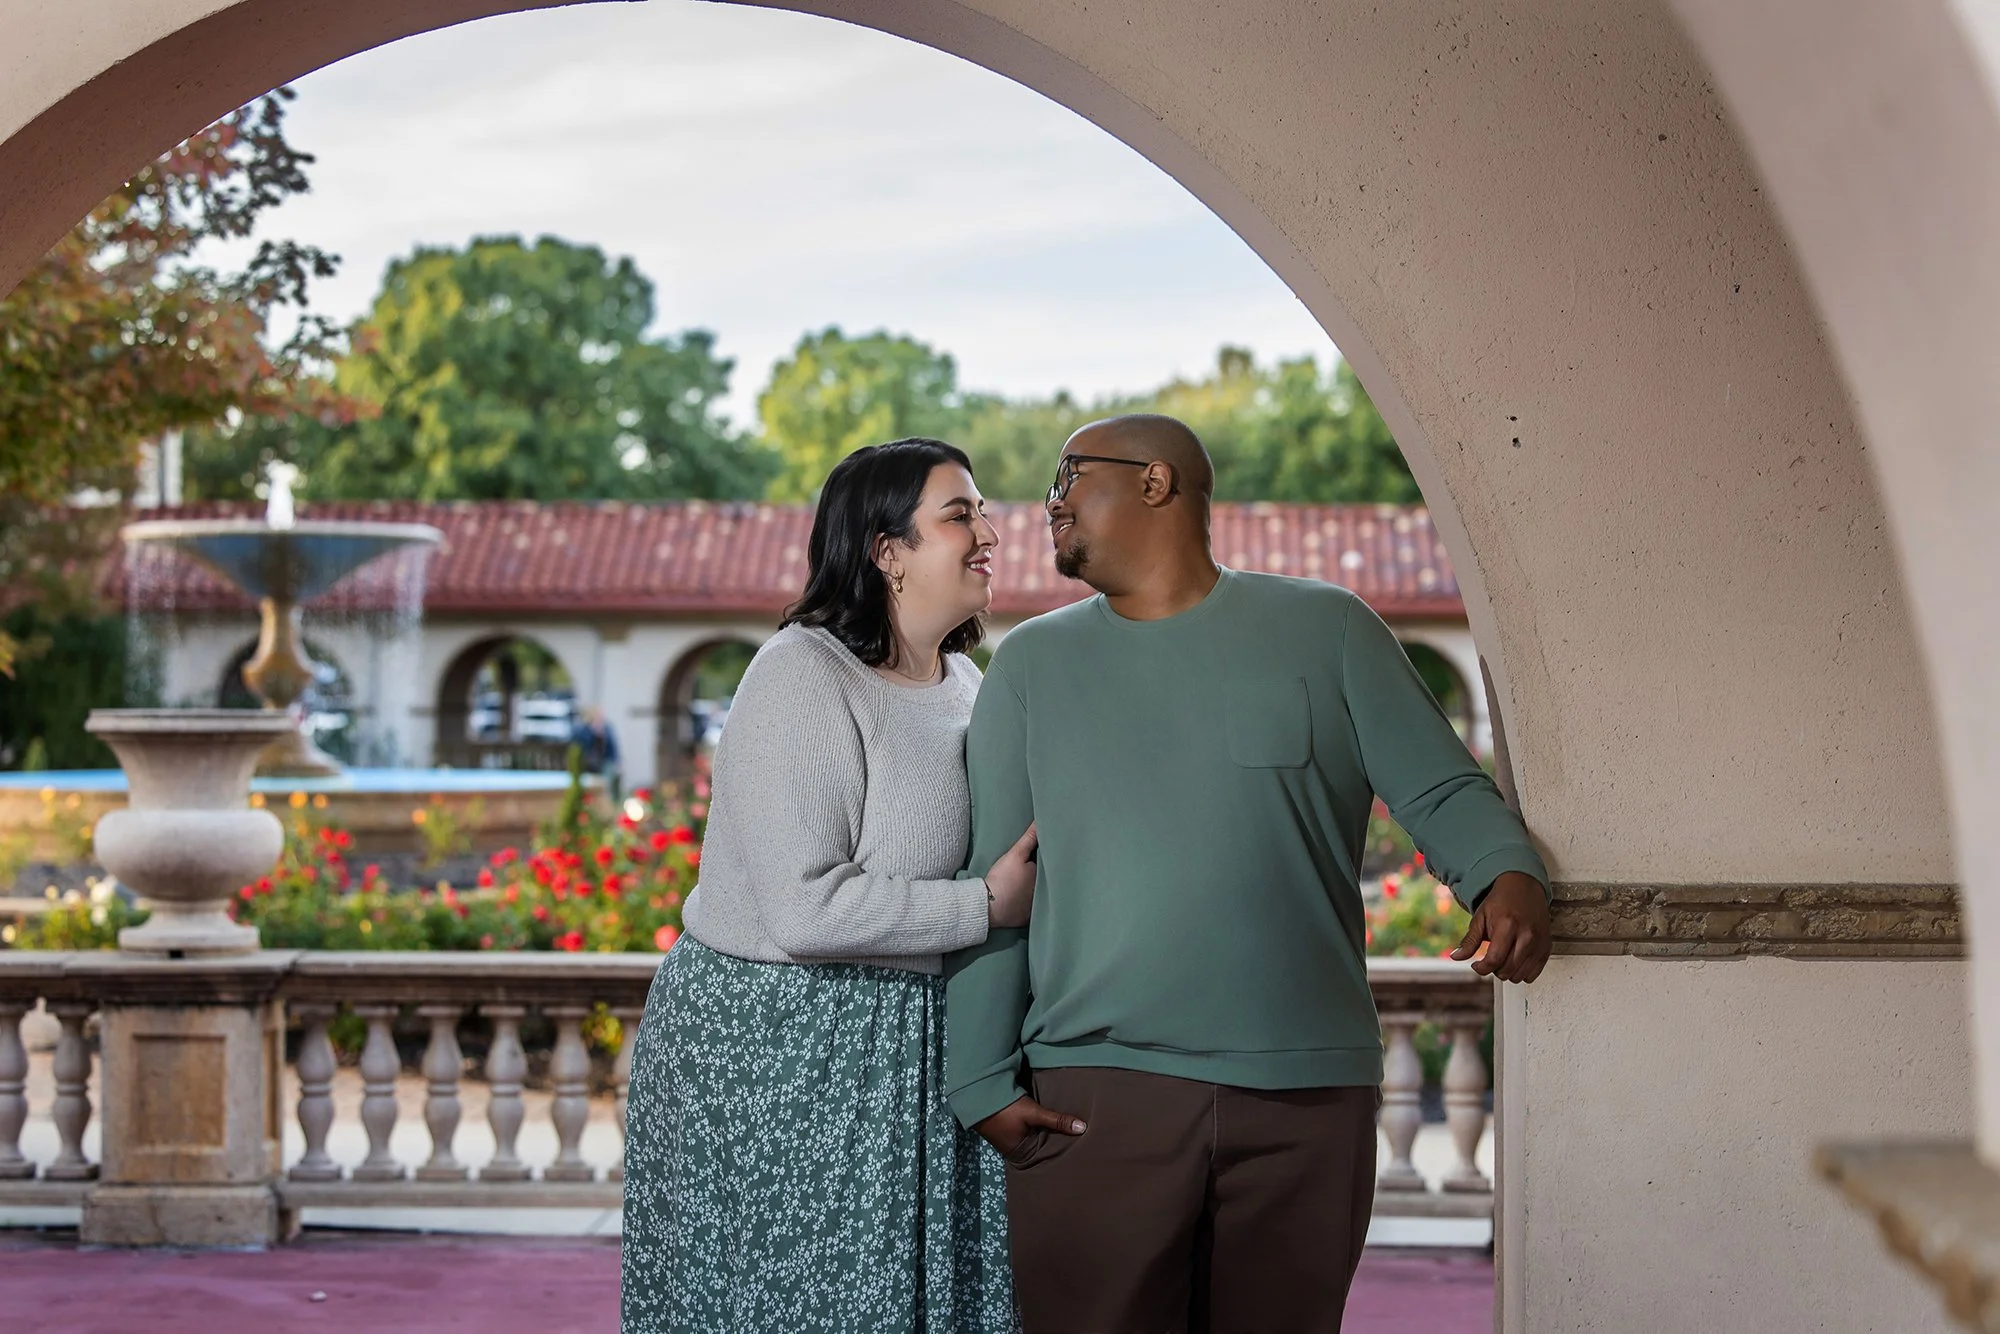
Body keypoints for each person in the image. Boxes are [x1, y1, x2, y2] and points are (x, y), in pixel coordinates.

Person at [945, 414, 1552, 1334]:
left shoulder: (1329, 628)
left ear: (1157, 482)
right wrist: (982, 1081)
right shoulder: (1031, 664)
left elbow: (1439, 788)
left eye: (1071, 475)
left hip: (1306, 1094)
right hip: (1099, 1094)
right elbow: (993, 884)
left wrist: (1504, 871)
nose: (1049, 502)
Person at [621, 438, 1035, 1334]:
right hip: (781, 1048)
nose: (987, 533)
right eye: (958, 514)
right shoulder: (802, 674)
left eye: (982, 512)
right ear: (886, 551)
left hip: (908, 1044)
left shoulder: (962, 679)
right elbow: (804, 906)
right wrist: (985, 907)